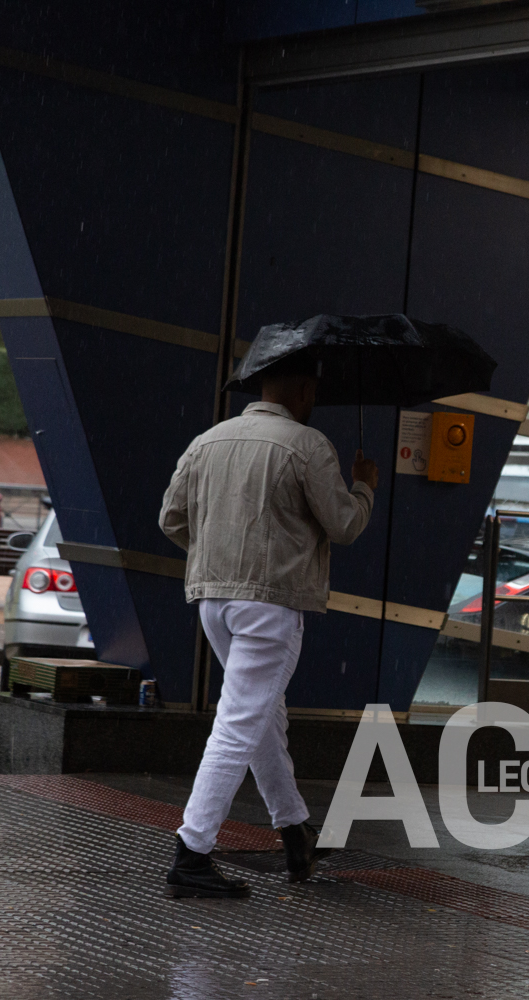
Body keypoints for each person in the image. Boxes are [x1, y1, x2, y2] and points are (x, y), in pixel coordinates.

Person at [158, 353, 380, 898]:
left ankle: (293, 830)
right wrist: (364, 485)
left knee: (262, 717)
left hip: (213, 600)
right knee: (239, 724)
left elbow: (170, 519)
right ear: (302, 390)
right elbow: (344, 524)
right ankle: (191, 853)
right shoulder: (307, 445)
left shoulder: (207, 441)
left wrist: (220, 557)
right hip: (271, 604)